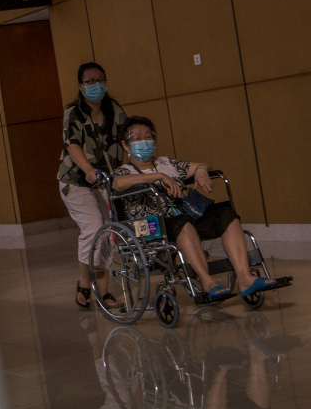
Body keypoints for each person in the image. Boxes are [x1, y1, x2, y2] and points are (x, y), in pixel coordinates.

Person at [111, 115, 277, 300]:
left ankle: (245, 277)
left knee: (226, 214)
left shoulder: (166, 163)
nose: (144, 141)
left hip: (185, 217)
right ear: (126, 146)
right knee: (182, 223)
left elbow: (201, 164)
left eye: (148, 136)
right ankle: (207, 282)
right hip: (153, 225)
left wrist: (201, 171)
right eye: (137, 138)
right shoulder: (124, 171)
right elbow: (118, 184)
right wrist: (157, 177)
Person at [58, 62, 126, 308]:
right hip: (76, 181)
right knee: (93, 227)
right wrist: (88, 170)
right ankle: (85, 284)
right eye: (90, 81)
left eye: (100, 80)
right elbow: (72, 144)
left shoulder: (114, 110)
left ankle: (104, 291)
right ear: (81, 86)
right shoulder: (73, 112)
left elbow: (126, 139)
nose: (96, 85)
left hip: (106, 180)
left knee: (108, 231)